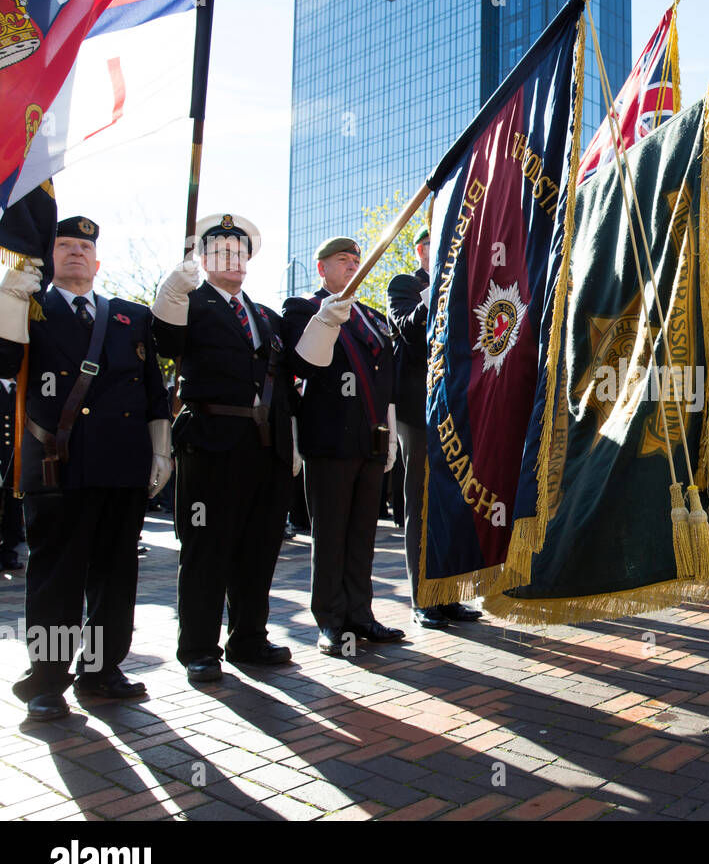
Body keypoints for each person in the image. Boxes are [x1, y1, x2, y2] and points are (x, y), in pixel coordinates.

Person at [0, 216, 171, 721]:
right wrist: (9, 302)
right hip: (58, 464)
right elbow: (5, 363)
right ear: (49, 257)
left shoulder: (130, 317)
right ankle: (48, 680)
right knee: (57, 574)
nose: (75, 253)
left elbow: (152, 390)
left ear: (97, 262)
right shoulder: (30, 308)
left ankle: (101, 671)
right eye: (65, 245)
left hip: (122, 463)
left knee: (116, 573)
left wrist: (160, 449)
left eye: (84, 247)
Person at [152, 213, 296, 683]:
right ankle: (199, 648)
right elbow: (167, 343)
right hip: (212, 443)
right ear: (203, 259)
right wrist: (171, 294)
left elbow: (292, 378)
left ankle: (249, 637)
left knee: (259, 548)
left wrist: (292, 441)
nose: (232, 260)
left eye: (239, 252)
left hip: (266, 446)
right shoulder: (190, 304)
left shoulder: (267, 317)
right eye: (221, 252)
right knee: (207, 548)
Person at [282, 237, 404, 655]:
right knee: (330, 535)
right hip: (329, 440)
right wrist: (326, 321)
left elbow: (385, 376)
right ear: (322, 269)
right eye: (342, 260)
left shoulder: (370, 316)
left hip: (370, 441)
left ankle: (361, 614)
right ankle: (331, 621)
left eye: (356, 260)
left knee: (362, 535)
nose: (353, 265)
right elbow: (304, 364)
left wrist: (387, 430)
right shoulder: (302, 308)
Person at [387, 227, 479, 628]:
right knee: (422, 504)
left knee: (453, 504)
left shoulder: (464, 287)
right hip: (419, 412)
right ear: (424, 250)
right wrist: (440, 285)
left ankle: (450, 594)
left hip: (454, 410)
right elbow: (409, 329)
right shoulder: (405, 284)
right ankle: (424, 597)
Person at [0, 376, 23, 569]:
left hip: (14, 458)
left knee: (13, 507)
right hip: (1, 456)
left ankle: (9, 552)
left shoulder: (20, 387)